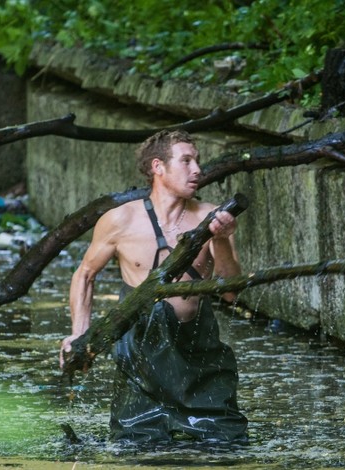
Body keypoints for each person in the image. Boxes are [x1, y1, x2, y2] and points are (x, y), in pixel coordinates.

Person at [59, 130, 248, 443]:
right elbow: (85, 274)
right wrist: (80, 334)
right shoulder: (121, 220)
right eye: (186, 161)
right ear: (158, 167)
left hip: (198, 352)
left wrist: (222, 240)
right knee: (135, 446)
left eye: (197, 161)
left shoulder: (212, 217)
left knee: (225, 444)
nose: (197, 169)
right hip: (140, 358)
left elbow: (230, 292)